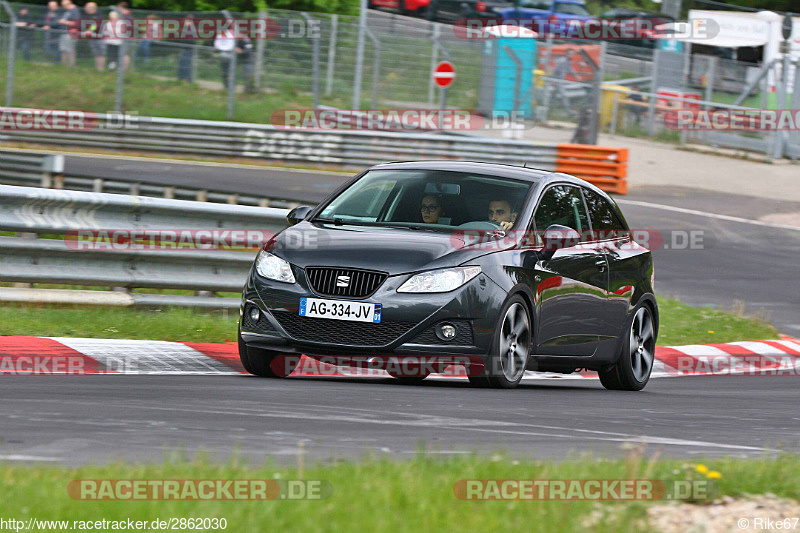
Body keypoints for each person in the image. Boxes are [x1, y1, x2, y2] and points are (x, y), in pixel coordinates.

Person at [83, 2, 106, 71]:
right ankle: (97, 68)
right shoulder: (87, 16)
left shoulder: (98, 15)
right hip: (92, 38)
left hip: (100, 38)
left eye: (87, 7)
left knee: (101, 53)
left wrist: (90, 30)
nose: (86, 9)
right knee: (96, 53)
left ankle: (101, 68)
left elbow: (96, 24)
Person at [57, 0, 80, 67]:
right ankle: (64, 65)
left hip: (70, 34)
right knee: (64, 50)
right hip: (64, 33)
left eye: (64, 5)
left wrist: (64, 22)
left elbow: (76, 23)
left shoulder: (75, 11)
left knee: (70, 50)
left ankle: (71, 66)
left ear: (69, 4)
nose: (63, 7)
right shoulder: (67, 11)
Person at [177, 14, 196, 82]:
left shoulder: (191, 28)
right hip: (185, 47)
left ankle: (188, 78)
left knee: (186, 63)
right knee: (182, 62)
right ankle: (181, 77)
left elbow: (192, 39)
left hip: (189, 47)